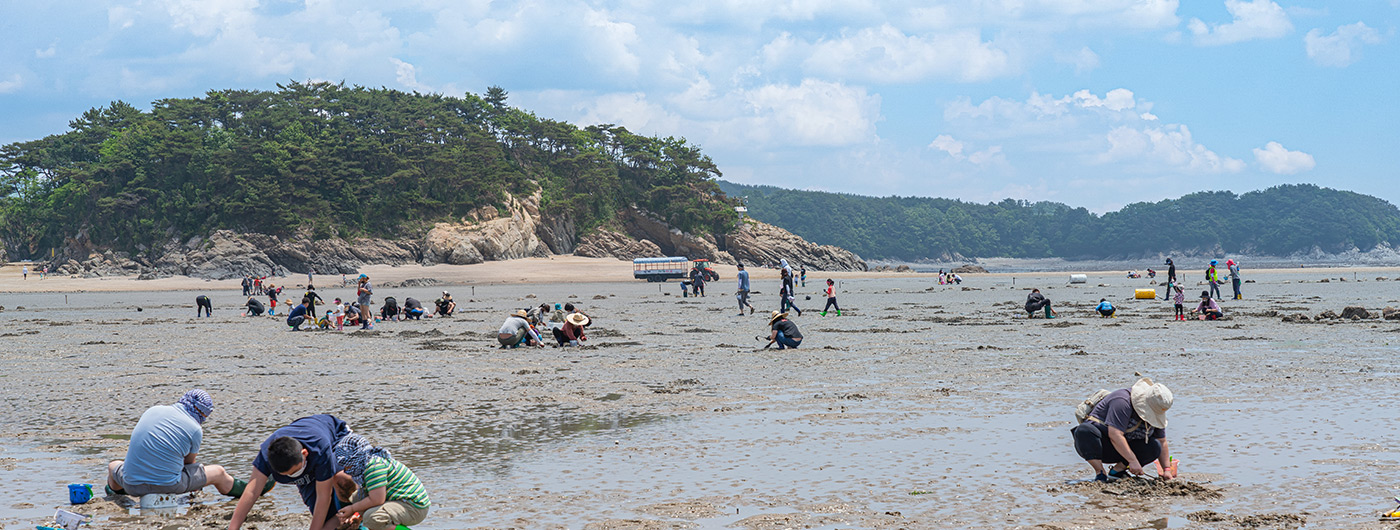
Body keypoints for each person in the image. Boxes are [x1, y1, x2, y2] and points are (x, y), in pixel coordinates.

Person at [106, 390, 259, 499]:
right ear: (205, 414)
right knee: (218, 472)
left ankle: (116, 496)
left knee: (114, 465)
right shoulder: (195, 429)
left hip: (132, 485)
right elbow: (188, 464)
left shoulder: (154, 410)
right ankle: (250, 491)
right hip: (167, 486)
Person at [227, 415, 351, 530]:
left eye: (295, 472)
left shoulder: (319, 448)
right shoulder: (267, 455)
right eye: (286, 475)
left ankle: (356, 510)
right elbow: (251, 492)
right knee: (328, 523)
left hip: (336, 438)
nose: (291, 476)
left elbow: (324, 496)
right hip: (307, 464)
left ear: (304, 454)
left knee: (343, 481)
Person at [1070, 378, 1175, 482]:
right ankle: (1100, 472)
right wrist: (1132, 460)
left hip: (1127, 446)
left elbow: (1162, 441)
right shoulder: (1122, 401)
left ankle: (1117, 471)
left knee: (1154, 446)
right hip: (1100, 444)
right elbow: (1115, 434)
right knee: (1084, 430)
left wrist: (1167, 469)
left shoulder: (1157, 408)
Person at [332, 434, 430, 530]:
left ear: (356, 460)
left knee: (373, 518)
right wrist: (357, 515)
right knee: (357, 498)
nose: (345, 469)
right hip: (398, 500)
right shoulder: (367, 462)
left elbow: (377, 500)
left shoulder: (374, 468)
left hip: (414, 506)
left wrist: (353, 509)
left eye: (347, 465)